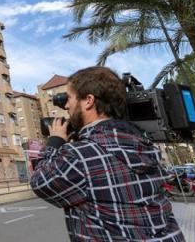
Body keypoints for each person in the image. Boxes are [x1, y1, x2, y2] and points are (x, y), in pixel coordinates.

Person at [30, 67, 184, 241]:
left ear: (88, 100)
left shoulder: (80, 155)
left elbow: (40, 182)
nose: (66, 105)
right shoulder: (144, 144)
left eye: (70, 98)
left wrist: (55, 141)